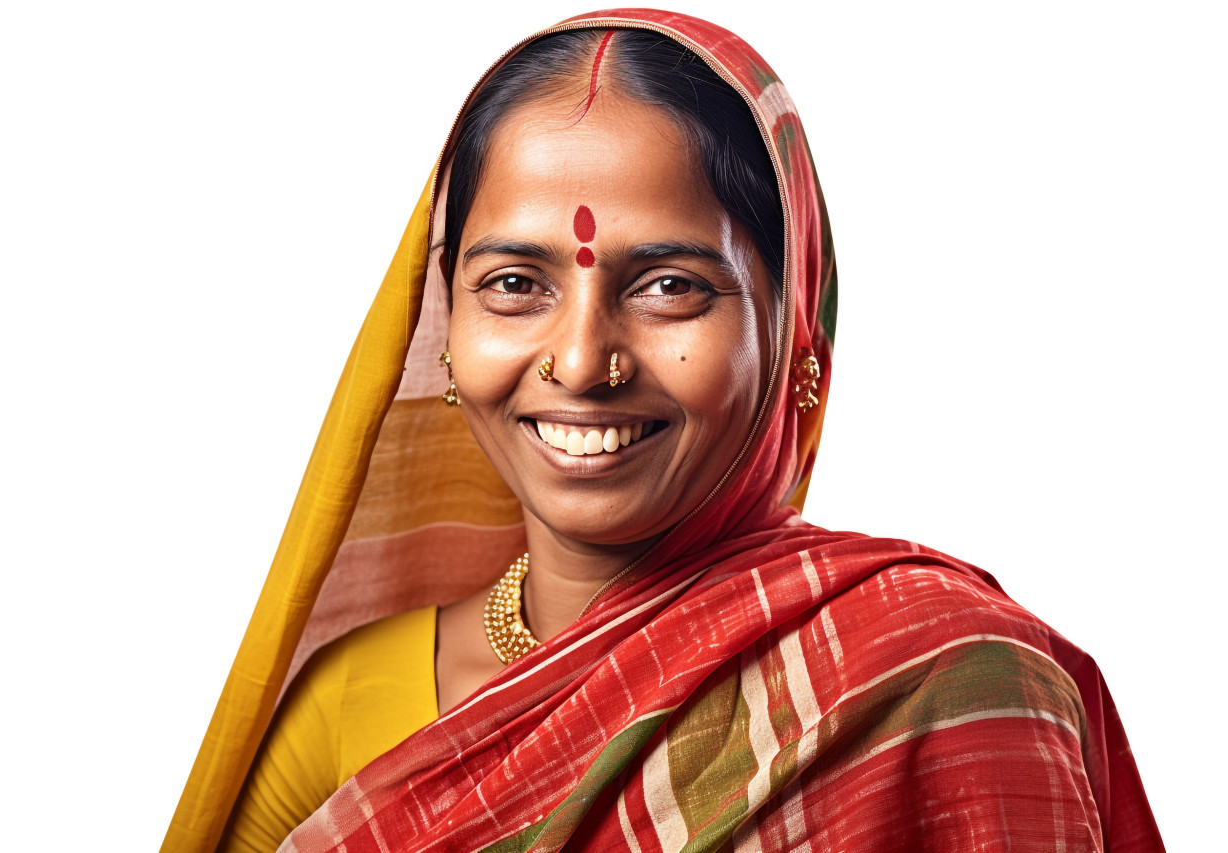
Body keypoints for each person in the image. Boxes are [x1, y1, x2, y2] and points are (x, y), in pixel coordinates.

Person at [164, 9, 1163, 852]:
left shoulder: (940, 683)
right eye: (515, 285)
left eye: (668, 287)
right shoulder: (350, 700)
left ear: (792, 327)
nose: (580, 360)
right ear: (445, 320)